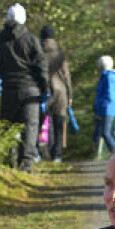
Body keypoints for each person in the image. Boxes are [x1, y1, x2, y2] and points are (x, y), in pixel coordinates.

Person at [0, 3, 48, 174]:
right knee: (30, 127)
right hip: (30, 88)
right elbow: (41, 65)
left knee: (7, 126)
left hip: (9, 87)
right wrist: (44, 87)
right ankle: (27, 164)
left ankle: (6, 161)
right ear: (23, 19)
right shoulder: (31, 40)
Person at [39, 24, 72, 163]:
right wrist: (70, 95)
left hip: (44, 92)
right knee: (59, 126)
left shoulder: (38, 52)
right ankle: (57, 155)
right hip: (61, 93)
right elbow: (66, 75)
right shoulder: (60, 53)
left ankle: (39, 153)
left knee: (41, 124)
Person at [92, 55, 115, 156]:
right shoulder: (105, 76)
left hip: (107, 109)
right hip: (105, 109)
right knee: (110, 132)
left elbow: (109, 95)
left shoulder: (109, 77)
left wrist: (102, 106)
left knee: (106, 133)